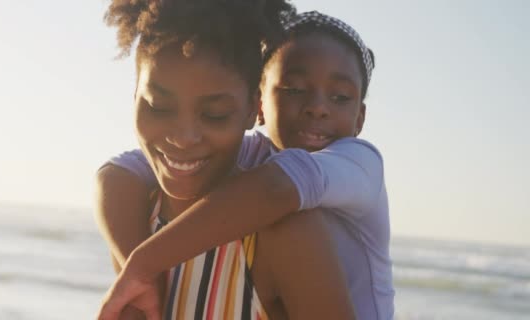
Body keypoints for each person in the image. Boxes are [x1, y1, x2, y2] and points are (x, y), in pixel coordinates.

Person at [96, 1, 355, 319]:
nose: (183, 137)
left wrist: (142, 266)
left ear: (251, 109)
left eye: (214, 115)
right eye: (159, 107)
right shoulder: (137, 215)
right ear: (135, 95)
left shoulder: (288, 234)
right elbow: (112, 176)